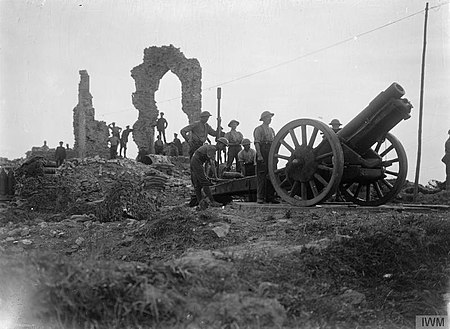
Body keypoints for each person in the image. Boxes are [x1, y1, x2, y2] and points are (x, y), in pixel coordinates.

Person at [190, 137, 228, 208]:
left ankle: (201, 203)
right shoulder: (212, 149)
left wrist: (205, 174)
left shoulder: (210, 148)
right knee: (205, 183)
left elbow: (206, 164)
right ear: (219, 144)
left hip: (195, 161)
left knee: (198, 184)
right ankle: (212, 202)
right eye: (224, 146)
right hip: (196, 161)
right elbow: (212, 164)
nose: (224, 148)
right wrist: (216, 177)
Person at [254, 111, 278, 204]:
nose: (270, 119)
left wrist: (275, 156)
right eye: (268, 117)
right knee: (262, 175)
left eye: (270, 117)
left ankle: (270, 197)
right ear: (263, 119)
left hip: (271, 151)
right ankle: (260, 197)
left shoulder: (272, 130)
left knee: (271, 174)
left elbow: (275, 143)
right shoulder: (258, 129)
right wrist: (259, 155)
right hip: (262, 150)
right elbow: (257, 143)